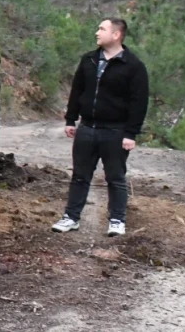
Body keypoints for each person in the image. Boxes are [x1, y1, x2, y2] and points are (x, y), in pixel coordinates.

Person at [51, 18, 149, 237]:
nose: (97, 32)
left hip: (115, 131)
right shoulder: (89, 60)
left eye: (102, 29)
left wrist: (131, 133)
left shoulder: (133, 66)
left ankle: (116, 220)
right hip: (86, 129)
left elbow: (139, 102)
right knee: (79, 175)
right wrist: (71, 119)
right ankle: (71, 217)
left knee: (115, 177)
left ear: (116, 35)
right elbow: (77, 91)